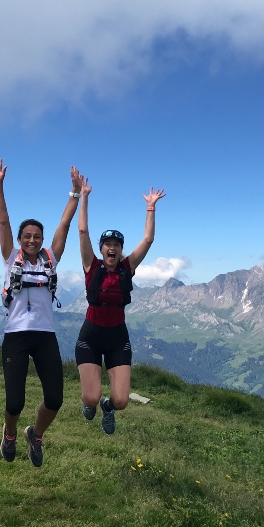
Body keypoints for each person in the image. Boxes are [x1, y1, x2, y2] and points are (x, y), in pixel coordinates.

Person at [0, 158, 82, 467]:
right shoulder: (10, 257)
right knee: (14, 402)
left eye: (36, 236)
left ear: (41, 240)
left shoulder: (49, 259)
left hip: (44, 336)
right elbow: (3, 221)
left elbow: (64, 226)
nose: (31, 240)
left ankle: (35, 435)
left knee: (55, 398)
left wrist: (75, 194)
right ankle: (10, 432)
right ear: (19, 240)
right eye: (26, 236)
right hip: (15, 335)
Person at [76, 178, 166, 435]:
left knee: (121, 401)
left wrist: (150, 207)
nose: (112, 248)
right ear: (102, 249)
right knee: (90, 397)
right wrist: (84, 196)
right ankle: (92, 401)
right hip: (90, 337)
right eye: (108, 244)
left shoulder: (127, 268)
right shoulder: (91, 266)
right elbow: (82, 232)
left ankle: (108, 407)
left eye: (117, 245)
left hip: (118, 338)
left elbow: (148, 240)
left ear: (120, 250)